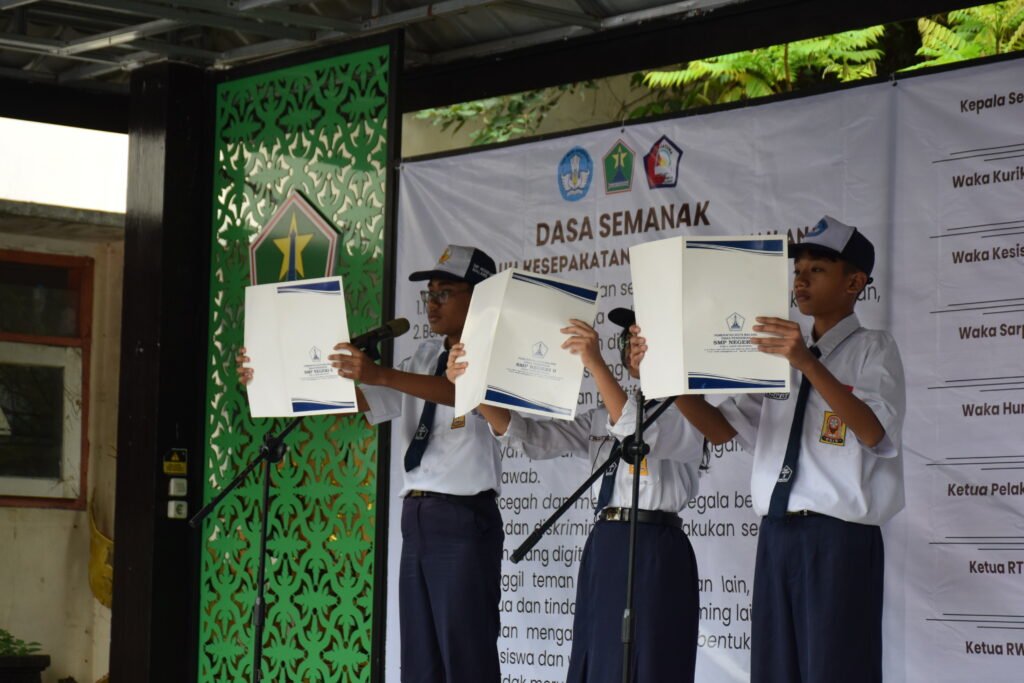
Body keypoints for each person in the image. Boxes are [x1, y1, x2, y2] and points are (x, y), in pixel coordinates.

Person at [633, 216, 905, 683]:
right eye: (797, 270)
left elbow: (873, 431)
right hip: (777, 536)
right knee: (776, 669)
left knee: (837, 669)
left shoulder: (873, 349)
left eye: (817, 269)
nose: (801, 280)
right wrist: (662, 377)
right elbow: (722, 430)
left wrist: (806, 363)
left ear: (854, 282)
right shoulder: (778, 362)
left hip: (839, 540)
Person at [237, 245, 503, 683]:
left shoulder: (494, 353)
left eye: (444, 293)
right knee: (420, 663)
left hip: (462, 518)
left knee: (466, 661)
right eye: (429, 294)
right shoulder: (423, 357)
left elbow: (460, 391)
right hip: (417, 516)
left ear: (479, 297)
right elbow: (363, 400)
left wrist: (380, 374)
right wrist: (266, 375)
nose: (432, 304)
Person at [447, 308, 702, 683]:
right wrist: (470, 388)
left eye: (643, 338)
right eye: (628, 338)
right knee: (599, 654)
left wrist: (595, 364)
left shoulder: (688, 411)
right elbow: (530, 436)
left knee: (649, 656)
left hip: (655, 546)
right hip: (606, 541)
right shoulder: (600, 417)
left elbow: (634, 430)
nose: (634, 346)